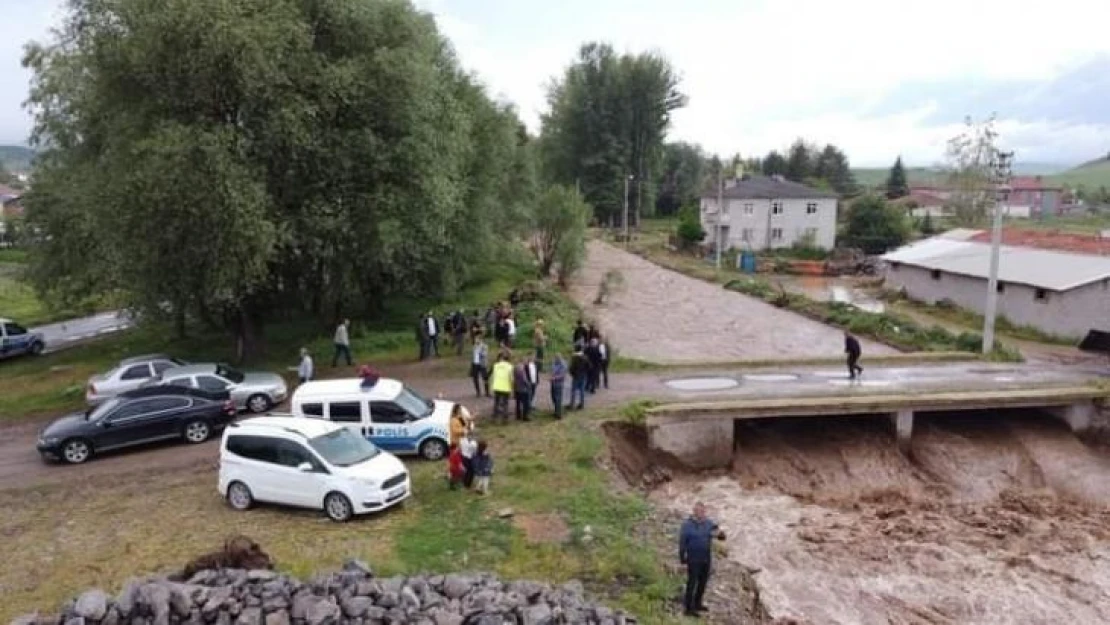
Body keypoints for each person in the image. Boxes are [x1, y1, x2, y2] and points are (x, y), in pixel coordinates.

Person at [679, 502, 726, 617]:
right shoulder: (687, 525)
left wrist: (721, 534)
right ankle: (688, 608)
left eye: (703, 511)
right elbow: (682, 542)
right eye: (699, 511)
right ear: (694, 511)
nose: (702, 513)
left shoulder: (708, 523)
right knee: (692, 582)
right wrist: (682, 557)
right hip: (693, 558)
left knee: (703, 582)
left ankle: (698, 603)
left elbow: (720, 536)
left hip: (705, 558)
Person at [490, 353, 513, 421]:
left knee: (496, 402)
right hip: (506, 387)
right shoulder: (510, 366)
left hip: (497, 386)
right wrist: (512, 388)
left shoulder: (496, 365)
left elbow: (493, 377)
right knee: (505, 403)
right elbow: (511, 378)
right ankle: (505, 418)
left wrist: (492, 387)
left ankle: (494, 416)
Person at [549, 354, 567, 418]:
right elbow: (552, 371)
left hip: (559, 384)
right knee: (553, 397)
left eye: (557, 358)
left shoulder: (563, 365)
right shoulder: (554, 363)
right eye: (555, 358)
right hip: (553, 383)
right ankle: (556, 411)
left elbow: (562, 375)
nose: (555, 360)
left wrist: (554, 378)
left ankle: (559, 414)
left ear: (560, 358)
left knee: (558, 399)